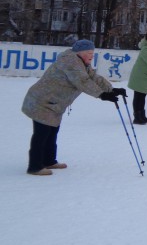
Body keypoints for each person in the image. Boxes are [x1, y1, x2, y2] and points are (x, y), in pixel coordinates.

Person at [21, 39, 126, 176]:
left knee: (52, 132)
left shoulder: (82, 63)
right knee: (42, 134)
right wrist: (102, 95)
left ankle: (49, 160)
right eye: (89, 53)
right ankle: (34, 166)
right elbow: (82, 81)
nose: (91, 55)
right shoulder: (70, 62)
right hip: (42, 101)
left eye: (93, 53)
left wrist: (111, 90)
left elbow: (94, 77)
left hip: (54, 104)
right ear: (80, 53)